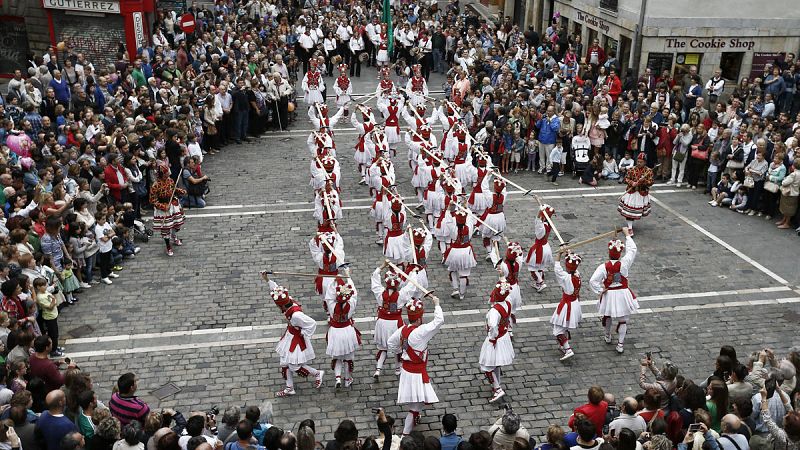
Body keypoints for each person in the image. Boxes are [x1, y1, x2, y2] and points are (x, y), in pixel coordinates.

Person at [387, 295, 444, 436]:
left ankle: (415, 416)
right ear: (419, 318)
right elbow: (439, 321)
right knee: (415, 406)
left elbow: (390, 343)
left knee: (417, 401)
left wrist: (399, 352)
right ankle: (405, 435)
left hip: (406, 370)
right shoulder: (421, 332)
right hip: (417, 373)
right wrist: (437, 303)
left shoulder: (402, 330)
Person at [261, 272, 324, 397]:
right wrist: (267, 279)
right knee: (284, 362)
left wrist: (302, 333)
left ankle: (317, 373)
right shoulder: (288, 301)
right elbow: (276, 290)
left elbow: (312, 323)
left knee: (294, 365)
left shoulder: (296, 315)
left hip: (296, 338)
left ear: (283, 305)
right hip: (290, 335)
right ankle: (289, 387)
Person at [589, 228, 638, 354]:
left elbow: (593, 281)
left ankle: (607, 336)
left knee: (608, 315)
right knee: (623, 319)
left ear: (609, 253)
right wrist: (627, 235)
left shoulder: (603, 267)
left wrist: (601, 289)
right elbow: (632, 250)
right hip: (623, 294)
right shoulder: (625, 263)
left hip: (609, 294)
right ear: (620, 253)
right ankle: (620, 344)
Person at [478, 278, 515, 403]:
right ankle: (497, 382)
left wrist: (492, 337)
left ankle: (497, 388)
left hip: (496, 338)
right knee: (495, 362)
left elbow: (493, 326)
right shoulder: (508, 302)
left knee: (486, 366)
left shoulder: (494, 311)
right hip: (504, 336)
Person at [323, 268, 360, 389]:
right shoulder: (352, 304)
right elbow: (353, 290)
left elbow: (328, 295)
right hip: (347, 331)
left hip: (335, 331)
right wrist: (347, 276)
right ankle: (348, 378)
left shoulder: (332, 305)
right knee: (348, 357)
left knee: (337, 357)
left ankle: (338, 378)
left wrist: (334, 281)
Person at [551, 252, 583, 361]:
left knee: (557, 329)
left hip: (567, 305)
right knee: (563, 326)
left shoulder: (566, 277)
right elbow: (572, 267)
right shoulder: (577, 275)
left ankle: (568, 349)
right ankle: (563, 346)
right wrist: (568, 253)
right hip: (575, 304)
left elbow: (557, 269)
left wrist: (559, 254)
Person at [149, 161, 185, 256]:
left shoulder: (170, 180)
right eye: (166, 173)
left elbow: (173, 189)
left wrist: (179, 191)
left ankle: (174, 236)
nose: (168, 174)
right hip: (163, 208)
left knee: (176, 224)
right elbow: (152, 200)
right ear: (162, 174)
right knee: (166, 228)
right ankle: (168, 246)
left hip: (172, 204)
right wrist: (163, 206)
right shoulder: (155, 185)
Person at [617, 153, 653, 235]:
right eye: (638, 161)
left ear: (645, 162)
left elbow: (651, 182)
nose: (639, 163)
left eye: (641, 162)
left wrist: (643, 181)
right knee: (629, 212)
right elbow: (626, 179)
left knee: (637, 211)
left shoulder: (648, 171)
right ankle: (629, 228)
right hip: (632, 193)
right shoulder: (632, 169)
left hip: (641, 193)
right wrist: (632, 182)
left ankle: (630, 226)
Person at [526, 205, 555, 293]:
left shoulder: (542, 226)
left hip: (540, 249)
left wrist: (539, 213)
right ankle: (538, 284)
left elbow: (537, 223)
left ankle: (541, 282)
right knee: (540, 267)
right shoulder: (548, 223)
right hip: (546, 247)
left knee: (532, 268)